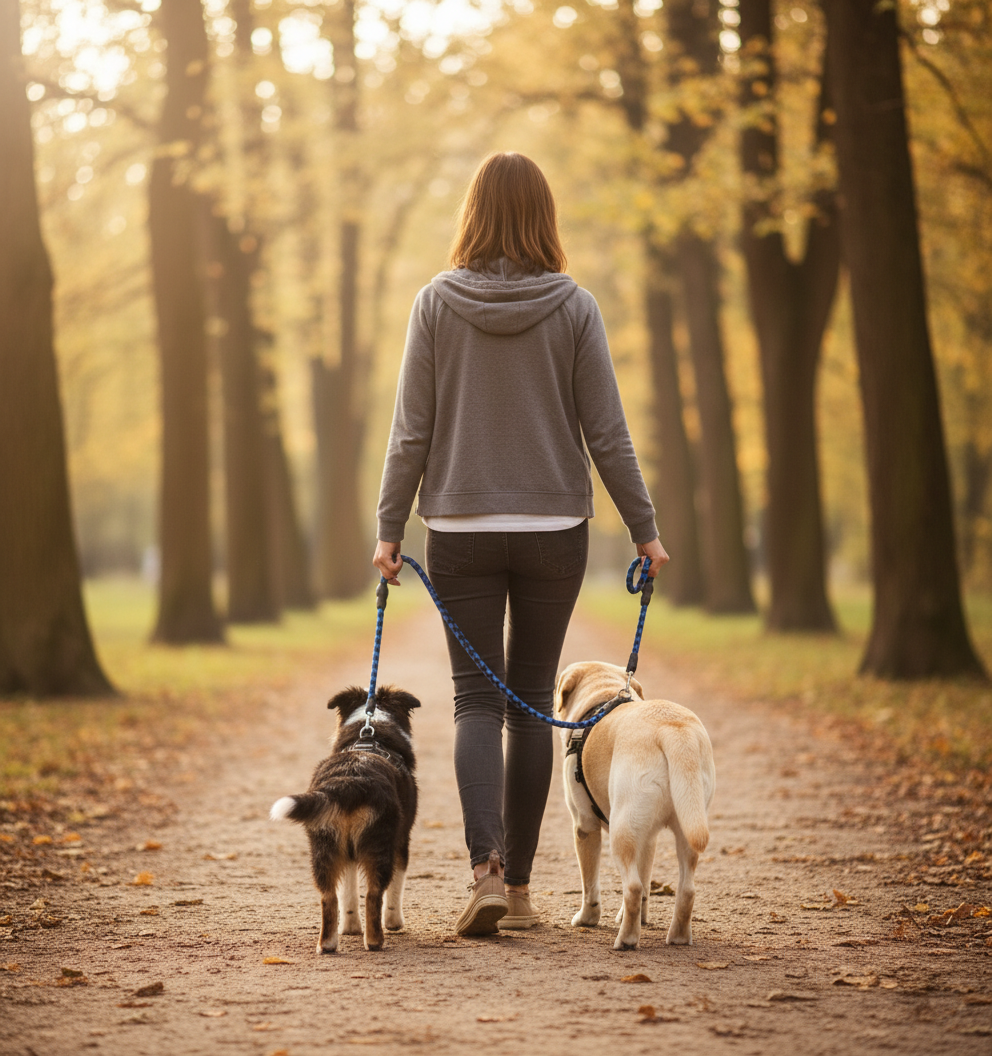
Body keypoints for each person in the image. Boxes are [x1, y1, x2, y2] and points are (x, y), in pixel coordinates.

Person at [373, 151, 668, 936]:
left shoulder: (436, 303)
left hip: (461, 530)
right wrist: (645, 528)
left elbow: (412, 431)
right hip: (553, 532)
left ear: (473, 213)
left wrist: (388, 527)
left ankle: (487, 875)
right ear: (545, 217)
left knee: (476, 700)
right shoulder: (574, 306)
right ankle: (529, 893)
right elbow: (606, 431)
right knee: (530, 704)